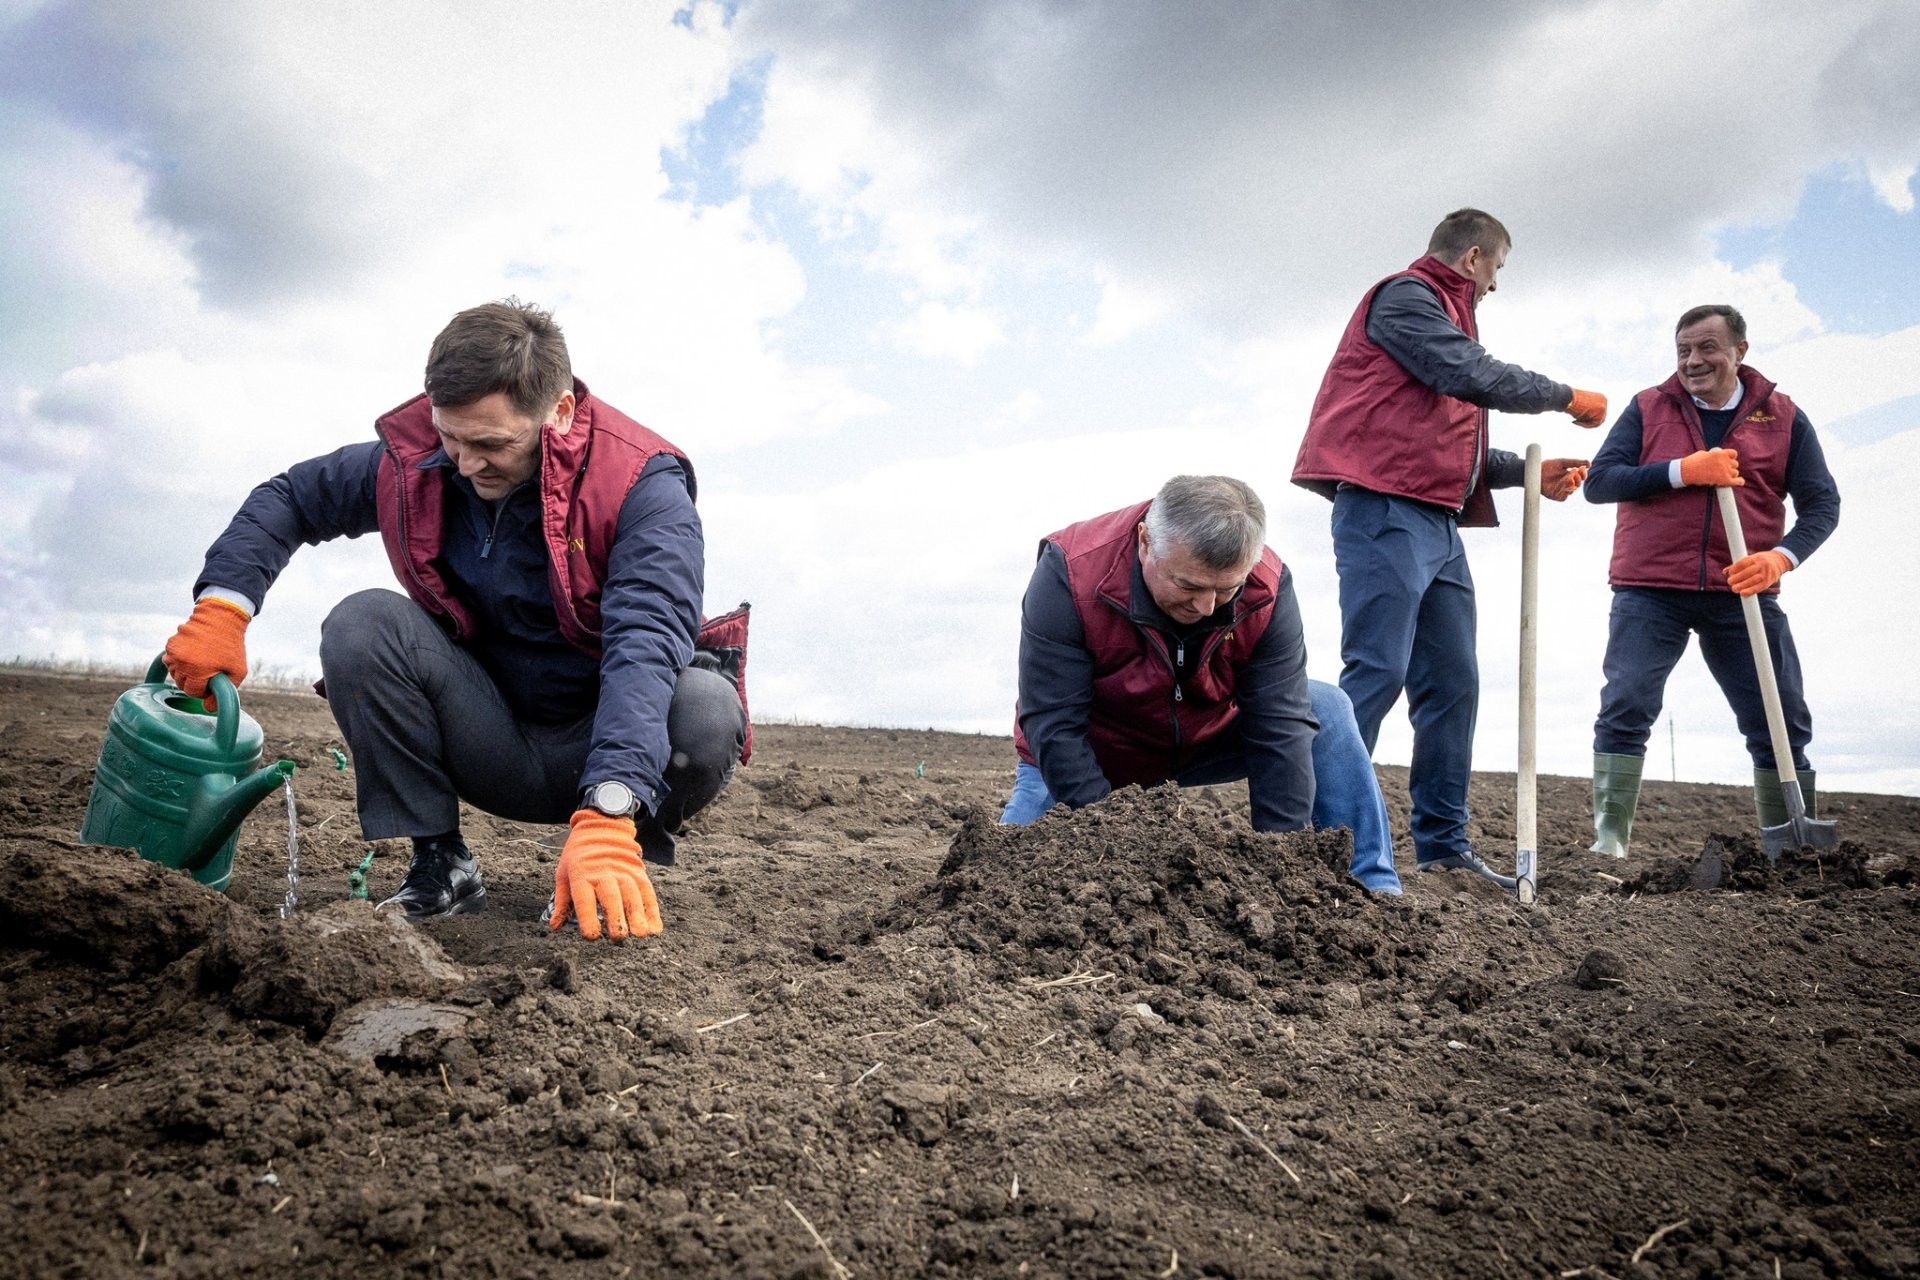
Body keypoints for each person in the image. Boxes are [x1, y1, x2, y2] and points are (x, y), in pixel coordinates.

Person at [161, 299, 750, 941]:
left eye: (493, 444)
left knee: (706, 705)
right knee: (364, 623)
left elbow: (645, 643)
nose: (466, 465)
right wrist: (224, 605)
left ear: (559, 411)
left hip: (600, 742)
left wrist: (611, 806)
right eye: (451, 437)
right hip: (484, 733)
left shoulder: (640, 485)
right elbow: (291, 498)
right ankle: (440, 865)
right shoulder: (419, 462)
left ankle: (609, 858)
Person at [1291, 208, 1604, 883]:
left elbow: (1446, 444)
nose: (1497, 284)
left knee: (1454, 682)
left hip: (1437, 522)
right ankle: (1316, 840)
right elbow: (1471, 374)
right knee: (1377, 670)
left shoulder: (1450, 320)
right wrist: (1564, 396)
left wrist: (1524, 471)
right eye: (1498, 268)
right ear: (1472, 259)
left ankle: (1443, 849)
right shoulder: (1406, 298)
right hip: (1383, 509)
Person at [1002, 474, 1402, 895]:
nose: (1206, 606)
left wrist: (1285, 868)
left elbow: (1279, 727)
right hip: (1091, 754)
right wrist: (1120, 839)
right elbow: (1053, 722)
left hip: (1203, 738)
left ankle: (1376, 889)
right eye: (1188, 585)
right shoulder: (1071, 570)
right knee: (1001, 877)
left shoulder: (1266, 585)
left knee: (1326, 706)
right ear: (1144, 542)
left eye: (1226, 589)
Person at [1582, 304, 1840, 856]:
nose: (1693, 361)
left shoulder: (1784, 416)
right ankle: (1609, 843)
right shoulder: (1649, 408)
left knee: (1780, 715)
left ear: (1739, 351)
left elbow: (1823, 504)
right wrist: (1683, 470)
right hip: (1651, 587)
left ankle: (1791, 848)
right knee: (1626, 702)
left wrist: (1781, 558)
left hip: (1741, 588)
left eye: (1706, 348)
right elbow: (1600, 482)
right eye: (1683, 351)